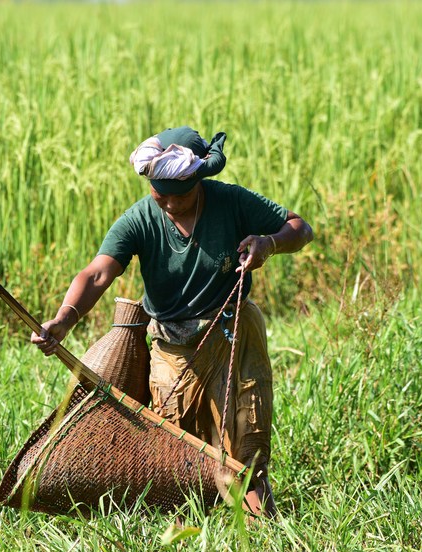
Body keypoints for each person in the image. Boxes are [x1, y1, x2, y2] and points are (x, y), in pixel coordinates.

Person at [31, 126, 313, 517]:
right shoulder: (141, 219)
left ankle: (266, 535)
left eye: (176, 198)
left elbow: (300, 228)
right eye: (158, 196)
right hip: (172, 347)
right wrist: (64, 320)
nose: (166, 205)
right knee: (174, 449)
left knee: (245, 443)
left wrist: (269, 243)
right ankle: (183, 538)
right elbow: (97, 273)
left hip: (233, 334)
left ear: (197, 182)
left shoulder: (229, 201)